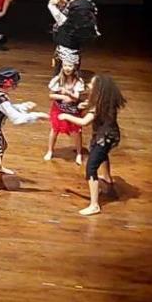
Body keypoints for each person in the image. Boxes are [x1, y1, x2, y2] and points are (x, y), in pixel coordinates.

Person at [0, 68, 49, 201]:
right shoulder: (1, 99)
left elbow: (8, 109)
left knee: (3, 145)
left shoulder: (0, 96)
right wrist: (37, 116)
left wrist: (23, 106)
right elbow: (16, 119)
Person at [58, 75, 126, 216]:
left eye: (91, 84)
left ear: (98, 90)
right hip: (109, 136)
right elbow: (92, 106)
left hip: (103, 138)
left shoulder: (96, 107)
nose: (89, 85)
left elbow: (84, 122)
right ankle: (107, 177)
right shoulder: (106, 102)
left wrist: (66, 116)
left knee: (91, 168)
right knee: (102, 153)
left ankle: (94, 205)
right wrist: (86, 104)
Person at [48, 0, 100, 73]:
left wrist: (52, 4)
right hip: (64, 42)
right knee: (63, 69)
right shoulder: (74, 7)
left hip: (72, 45)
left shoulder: (84, 9)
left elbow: (60, 17)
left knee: (70, 69)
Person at [44, 57, 85, 165]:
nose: (67, 68)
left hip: (72, 110)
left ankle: (79, 153)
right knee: (54, 130)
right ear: (62, 66)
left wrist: (67, 92)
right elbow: (50, 95)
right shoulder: (57, 79)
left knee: (76, 132)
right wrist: (61, 95)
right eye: (65, 65)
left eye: (70, 66)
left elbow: (76, 97)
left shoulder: (78, 81)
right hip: (59, 108)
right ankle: (50, 150)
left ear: (74, 67)